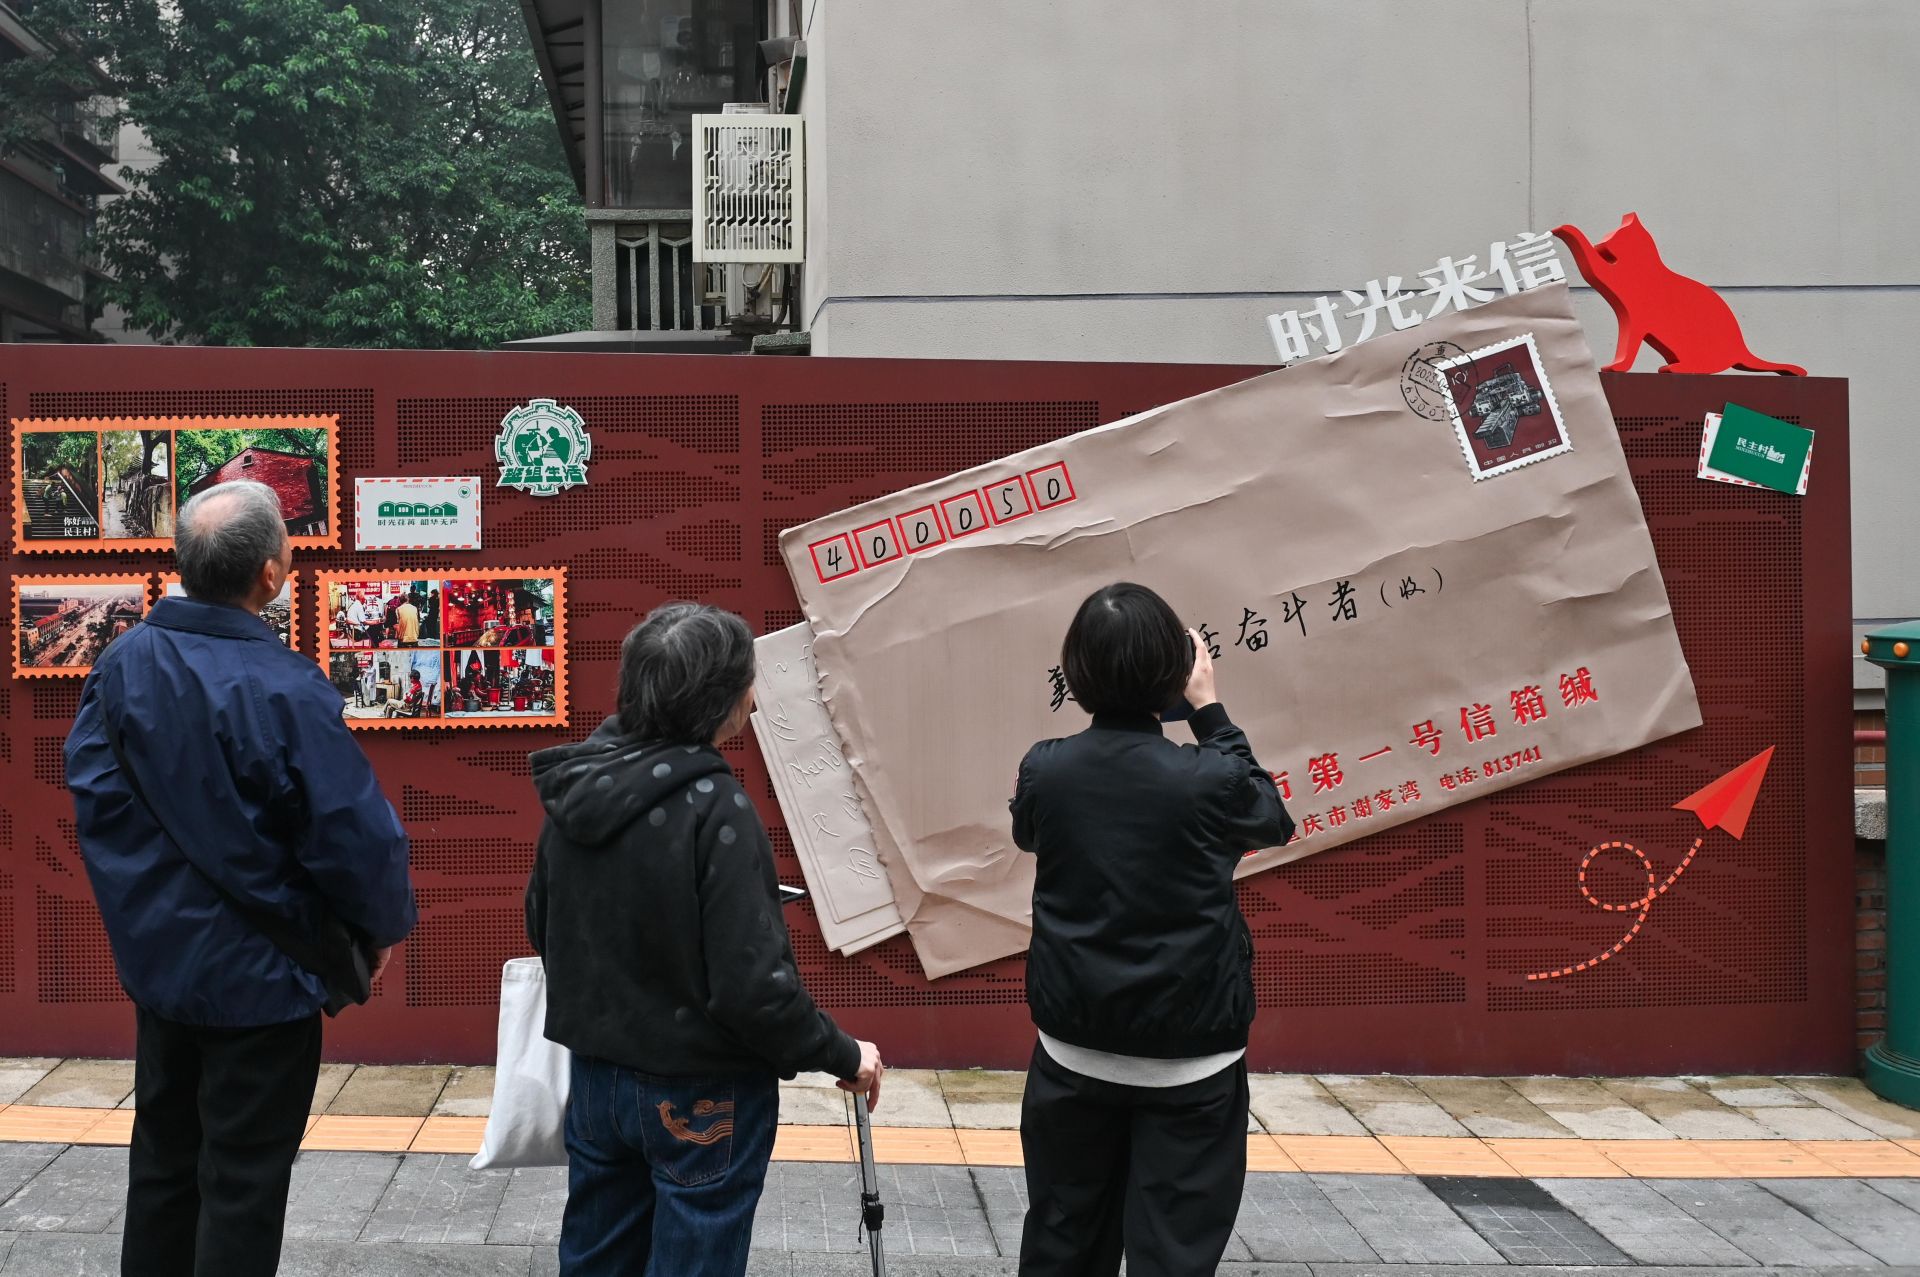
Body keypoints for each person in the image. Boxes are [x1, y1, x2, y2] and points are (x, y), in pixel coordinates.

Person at [63, 480, 417, 1277]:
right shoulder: (286, 684)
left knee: (163, 1164)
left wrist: (143, 907)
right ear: (271, 572)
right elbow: (352, 831)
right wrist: (378, 926)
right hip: (265, 979)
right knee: (243, 1183)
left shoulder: (122, 664)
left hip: (161, 967)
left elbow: (94, 793)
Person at [526, 602, 884, 1277]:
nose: (755, 697)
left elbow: (542, 924)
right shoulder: (716, 808)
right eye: (748, 682)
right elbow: (754, 990)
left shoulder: (577, 793)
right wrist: (843, 1053)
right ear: (718, 700)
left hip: (598, 1080)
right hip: (702, 1098)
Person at [1010, 582, 1293, 1277]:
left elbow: (1027, 833)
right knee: (1174, 1256)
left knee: (1062, 1244)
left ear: (1076, 672)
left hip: (1074, 1051)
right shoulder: (1209, 777)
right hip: (1193, 1060)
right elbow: (1272, 819)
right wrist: (1209, 710)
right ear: (1176, 671)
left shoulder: (1046, 768)